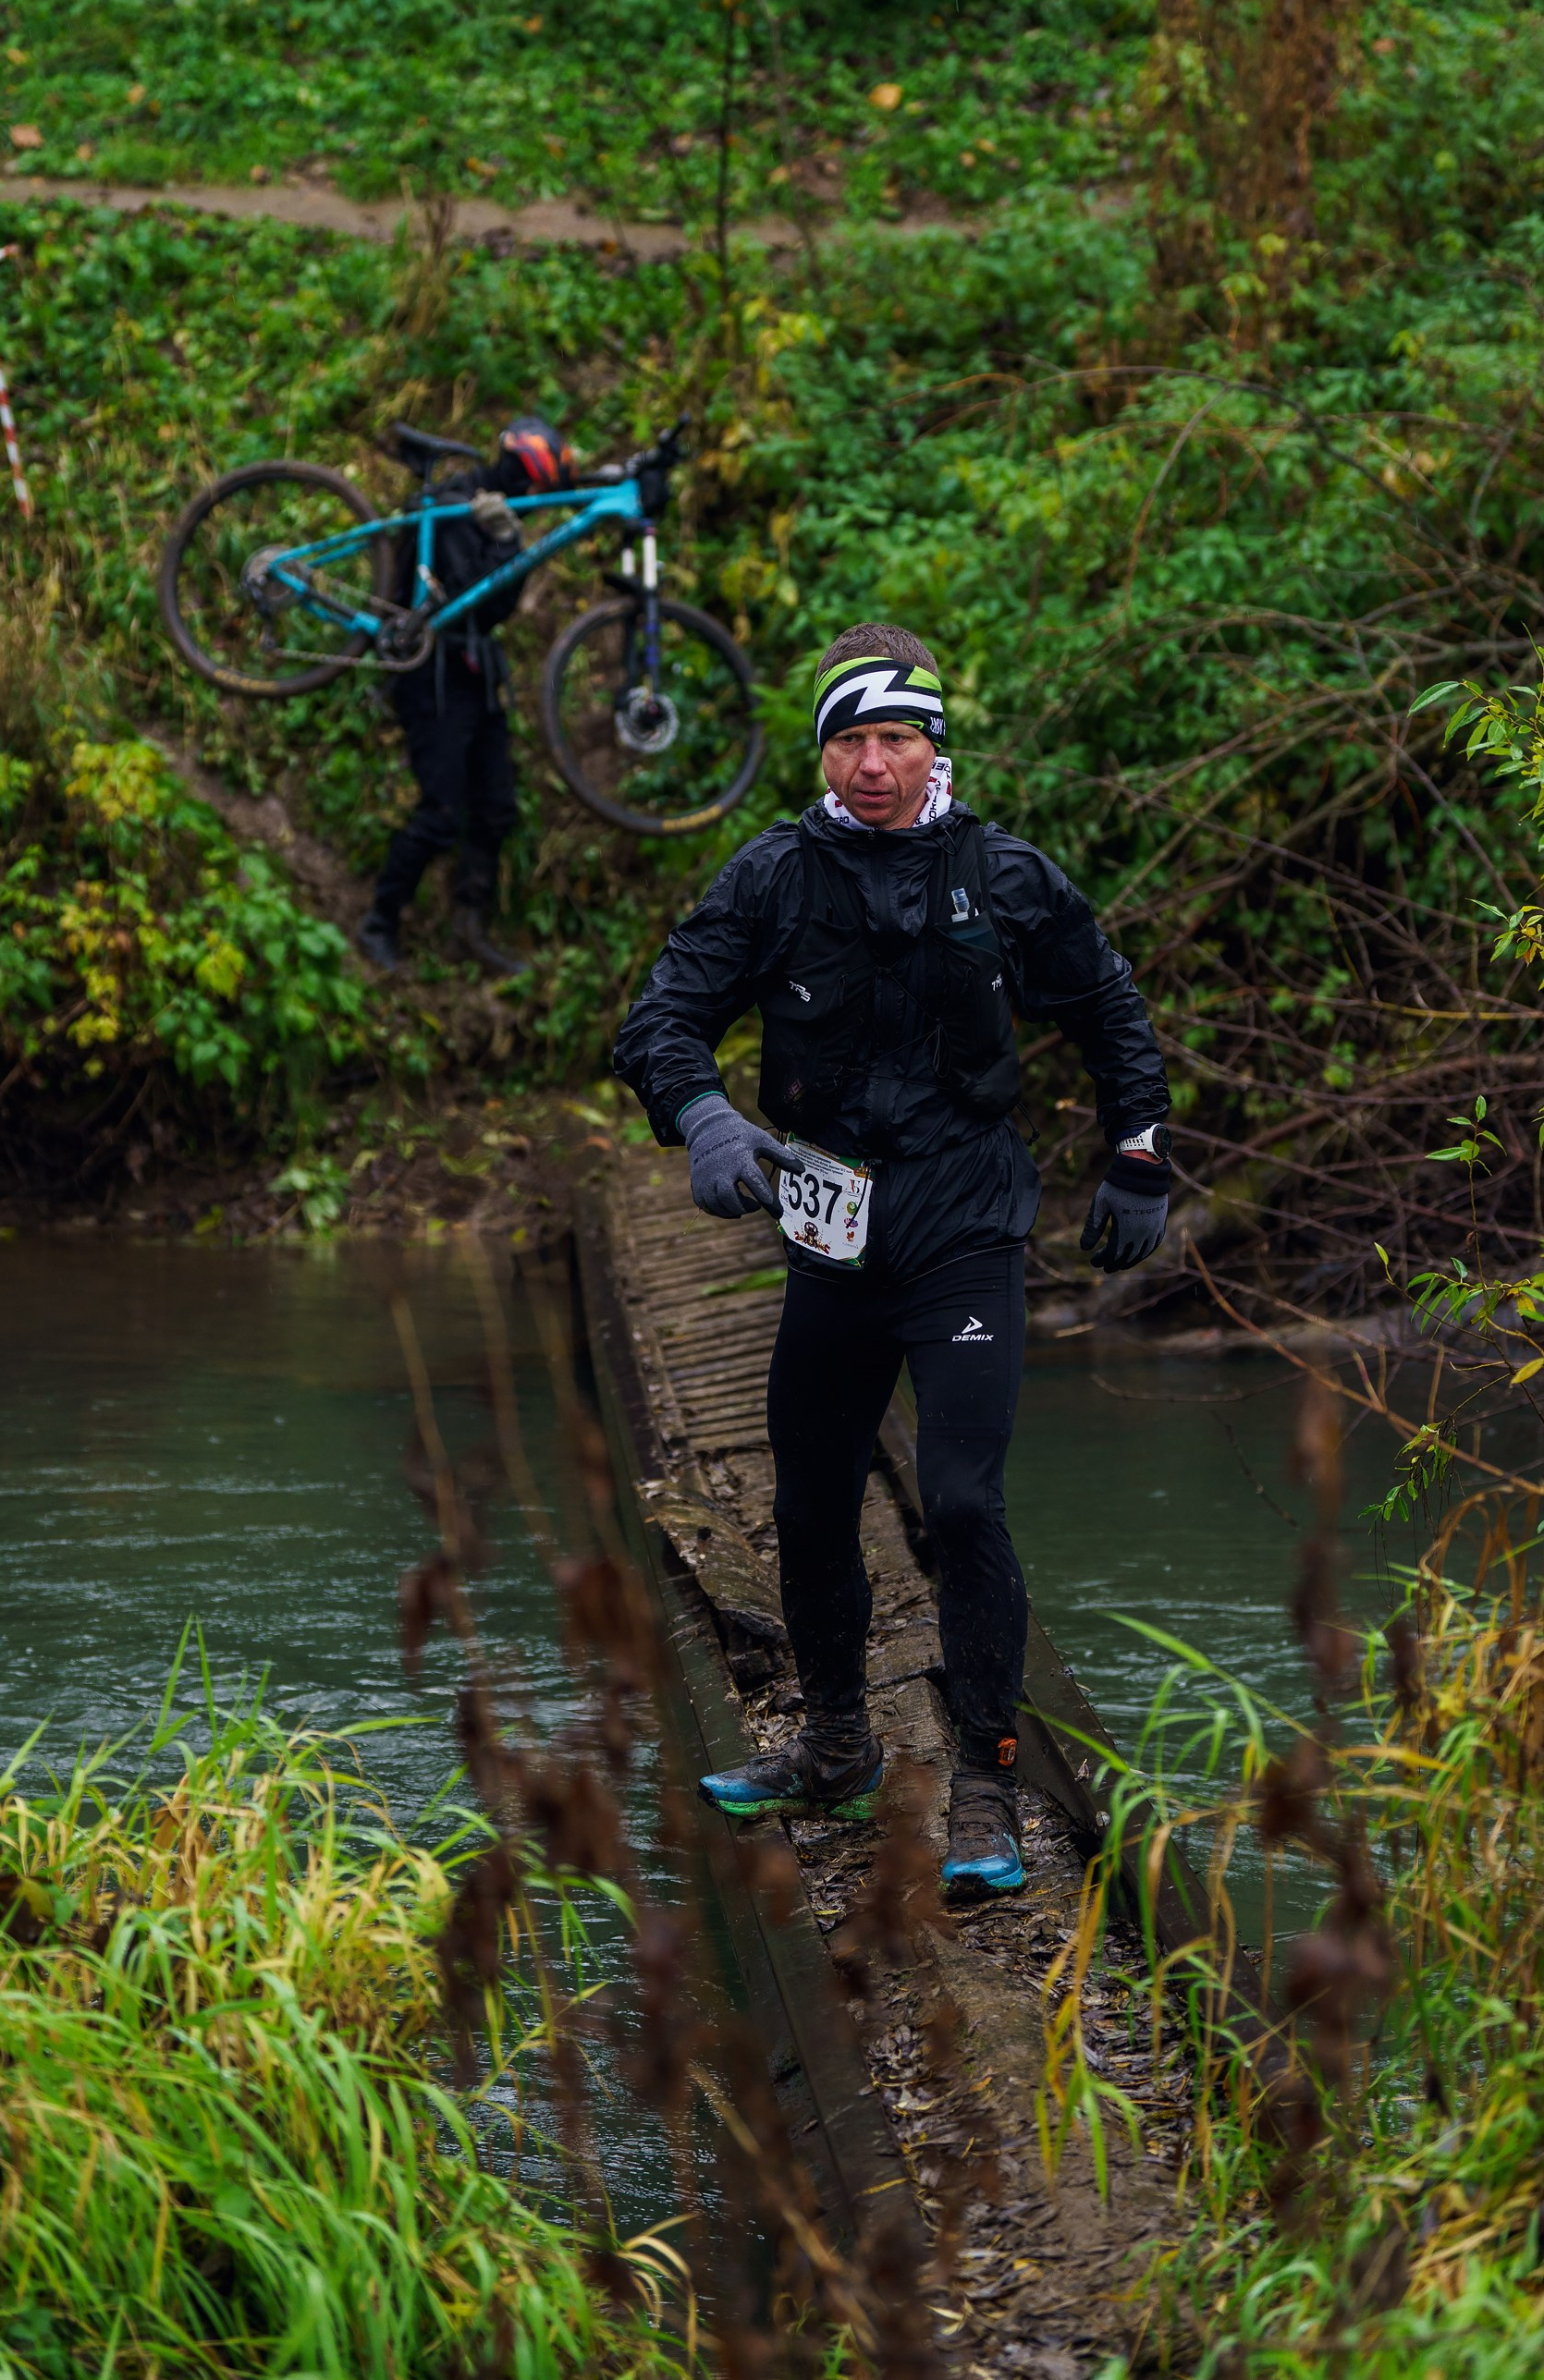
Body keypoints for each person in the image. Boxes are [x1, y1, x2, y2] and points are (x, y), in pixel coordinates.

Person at [612, 622, 1172, 1903]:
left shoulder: (1008, 876)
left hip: (966, 1228)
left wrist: (1137, 1153)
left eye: (896, 739)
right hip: (829, 1232)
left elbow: (1111, 1008)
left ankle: (984, 1777)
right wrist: (698, 1113)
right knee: (809, 1507)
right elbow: (662, 1020)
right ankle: (836, 1742)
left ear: (935, 745)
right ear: (825, 751)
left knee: (964, 1501)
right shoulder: (771, 879)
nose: (873, 764)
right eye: (851, 740)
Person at [359, 415, 574, 982]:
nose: (530, 499)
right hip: (432, 674)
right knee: (441, 811)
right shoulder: (455, 508)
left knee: (496, 806)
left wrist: (508, 542)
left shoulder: (493, 514)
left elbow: (494, 610)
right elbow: (468, 598)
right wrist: (504, 544)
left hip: (476, 675)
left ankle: (469, 929)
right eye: (528, 485)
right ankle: (379, 922)